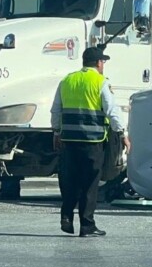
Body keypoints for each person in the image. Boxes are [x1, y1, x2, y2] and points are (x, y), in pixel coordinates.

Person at [51, 47, 131, 237]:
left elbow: (56, 109)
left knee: (70, 180)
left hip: (69, 139)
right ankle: (87, 225)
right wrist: (122, 134)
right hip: (92, 141)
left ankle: (66, 217)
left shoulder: (67, 80)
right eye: (103, 61)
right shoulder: (100, 82)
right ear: (98, 63)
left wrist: (56, 132)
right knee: (89, 182)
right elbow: (111, 110)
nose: (103, 65)